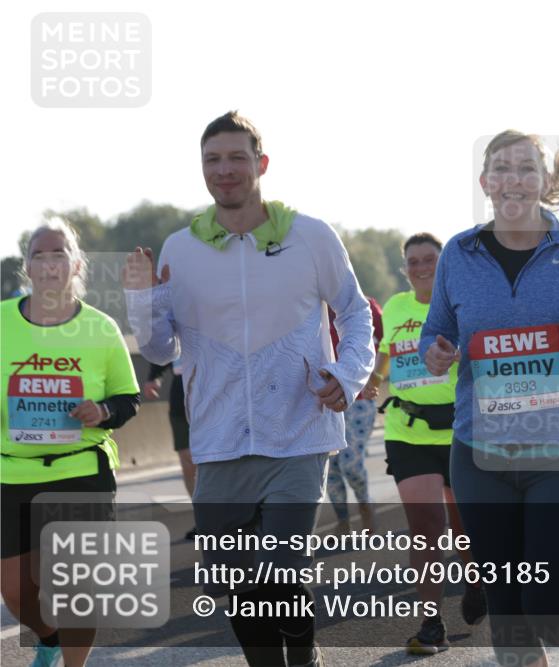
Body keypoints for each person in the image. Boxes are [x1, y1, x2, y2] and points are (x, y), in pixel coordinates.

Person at [123, 111, 374, 667]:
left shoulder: (310, 236)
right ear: (203, 170)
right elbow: (163, 350)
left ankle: (303, 656)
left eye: (237, 157)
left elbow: (355, 315)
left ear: (261, 164)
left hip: (299, 430)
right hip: (219, 439)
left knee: (281, 573)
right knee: (239, 585)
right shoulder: (179, 249)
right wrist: (142, 301)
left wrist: (346, 375)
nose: (225, 170)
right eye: (213, 160)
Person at [421, 121, 559, 667]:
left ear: (543, 180)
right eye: (502, 169)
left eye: (526, 169)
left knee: (548, 602)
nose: (513, 180)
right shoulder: (458, 254)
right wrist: (436, 353)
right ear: (485, 181)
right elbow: (434, 333)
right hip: (480, 454)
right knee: (509, 609)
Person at [2, 218, 141, 667]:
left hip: (82, 469)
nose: (48, 264)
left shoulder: (100, 328)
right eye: (38, 255)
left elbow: (128, 398)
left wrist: (102, 412)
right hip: (11, 472)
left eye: (58, 253)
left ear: (76, 264)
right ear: (27, 268)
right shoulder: (2, 321)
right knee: (17, 593)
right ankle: (49, 637)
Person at [367, 233, 485, 654]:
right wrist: (375, 381)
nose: (420, 267)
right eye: (412, 261)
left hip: (459, 429)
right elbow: (386, 353)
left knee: (463, 527)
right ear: (405, 269)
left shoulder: (460, 304)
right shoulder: (396, 306)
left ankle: (476, 582)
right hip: (406, 430)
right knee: (425, 527)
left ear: (443, 263)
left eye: (429, 259)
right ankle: (431, 622)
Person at [326, 298, 382, 535]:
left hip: (359, 400)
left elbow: (386, 345)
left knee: (351, 464)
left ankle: (365, 507)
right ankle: (343, 521)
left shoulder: (364, 304)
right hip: (324, 401)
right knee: (331, 470)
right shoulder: (307, 304)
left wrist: (375, 377)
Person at [143, 362, 197, 539]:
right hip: (180, 397)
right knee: (188, 461)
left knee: (216, 462)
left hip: (213, 391)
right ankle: (203, 518)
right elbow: (164, 349)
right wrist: (154, 378)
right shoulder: (178, 333)